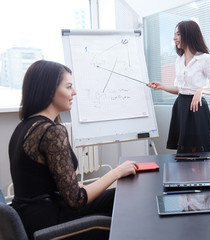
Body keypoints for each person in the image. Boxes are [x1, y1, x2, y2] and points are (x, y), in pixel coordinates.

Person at [8, 60, 138, 239]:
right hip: (49, 222)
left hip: (31, 218)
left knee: (119, 197)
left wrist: (70, 188)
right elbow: (76, 200)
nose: (74, 92)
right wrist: (116, 173)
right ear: (49, 90)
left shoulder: (24, 127)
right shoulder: (52, 131)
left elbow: (37, 181)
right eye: (68, 87)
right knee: (124, 209)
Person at [147, 20, 210, 153]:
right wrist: (162, 86)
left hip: (197, 107)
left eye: (178, 34)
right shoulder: (179, 60)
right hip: (181, 106)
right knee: (183, 153)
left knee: (198, 152)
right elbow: (180, 89)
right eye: (175, 34)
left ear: (189, 35)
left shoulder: (205, 59)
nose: (174, 38)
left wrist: (201, 91)